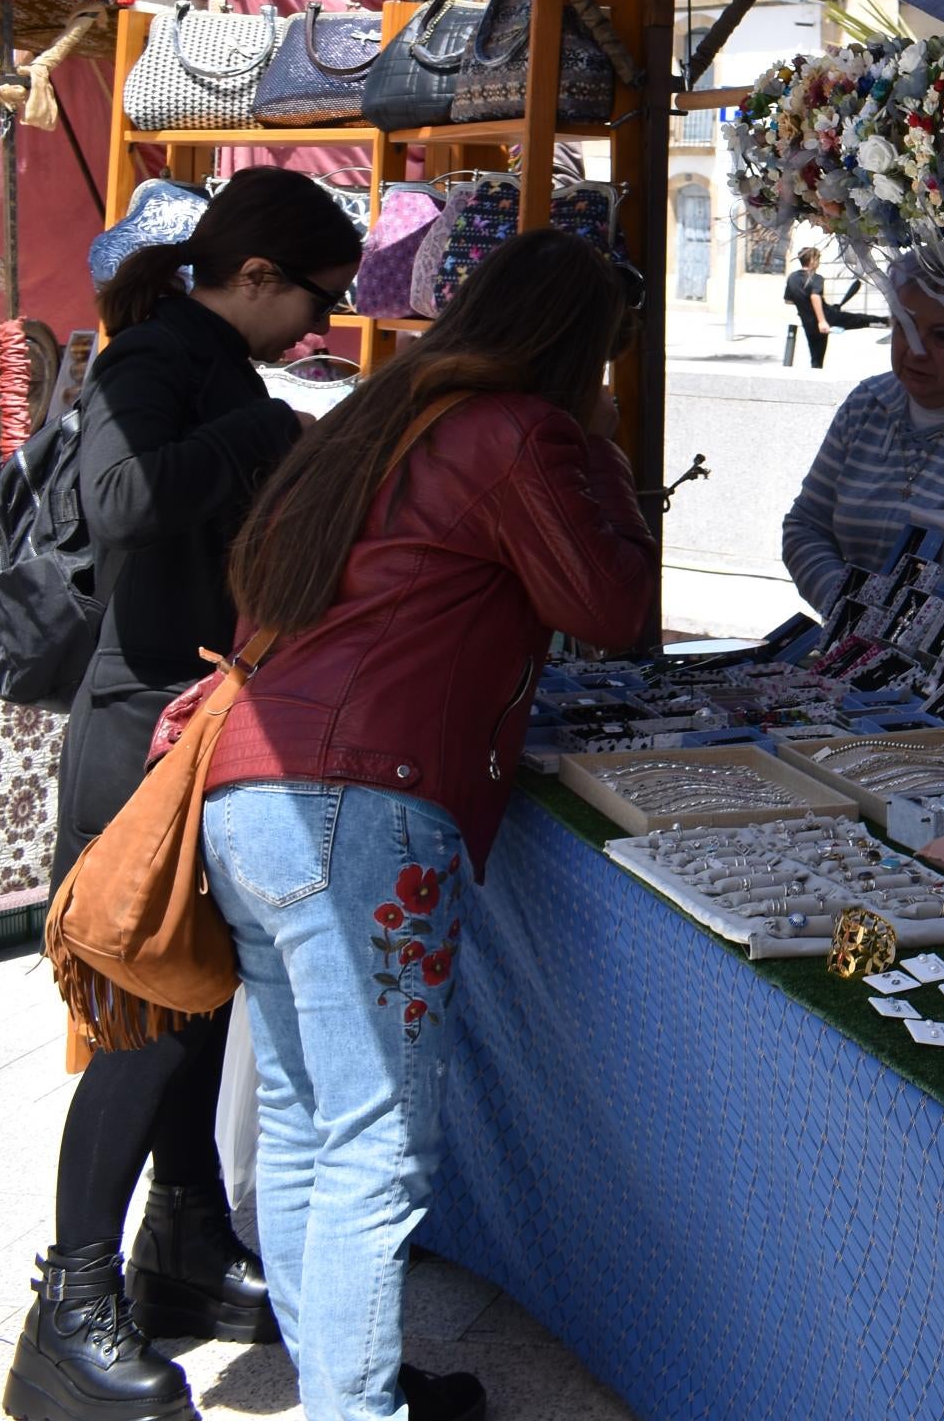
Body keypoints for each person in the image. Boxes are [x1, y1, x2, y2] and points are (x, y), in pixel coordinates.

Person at [190, 228, 656, 1421]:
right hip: (363, 807)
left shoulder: (378, 412)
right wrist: (603, 453)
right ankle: (358, 1405)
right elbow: (612, 605)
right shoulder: (516, 430)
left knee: (305, 1120)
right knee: (373, 1146)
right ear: (573, 345)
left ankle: (345, 1385)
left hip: (256, 793)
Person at [10, 168, 361, 1421]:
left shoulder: (214, 366)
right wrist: (263, 433)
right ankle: (68, 1307)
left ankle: (182, 1246)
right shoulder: (152, 356)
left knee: (197, 1011)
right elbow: (118, 508)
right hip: (132, 734)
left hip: (195, 720)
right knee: (143, 1024)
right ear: (256, 276)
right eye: (314, 300)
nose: (319, 328)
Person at [781, 244, 944, 609]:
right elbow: (806, 527)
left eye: (943, 336)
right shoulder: (866, 404)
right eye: (905, 326)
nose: (917, 350)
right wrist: (846, 608)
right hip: (855, 649)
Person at [780, 245, 840, 367]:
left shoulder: (792, 277)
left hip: (805, 319)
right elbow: (815, 296)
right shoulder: (816, 278)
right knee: (818, 354)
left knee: (814, 351)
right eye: (817, 259)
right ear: (813, 260)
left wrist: (803, 303)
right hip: (819, 319)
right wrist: (822, 321)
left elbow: (788, 300)